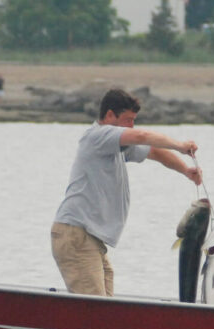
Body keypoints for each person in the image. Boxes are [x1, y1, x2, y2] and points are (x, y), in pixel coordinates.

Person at [52, 88, 202, 296]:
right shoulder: (98, 135)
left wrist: (186, 170)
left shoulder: (117, 146)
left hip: (91, 238)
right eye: (128, 120)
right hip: (77, 233)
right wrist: (180, 146)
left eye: (134, 120)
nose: (132, 126)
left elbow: (155, 151)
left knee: (107, 307)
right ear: (110, 115)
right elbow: (142, 136)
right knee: (94, 309)